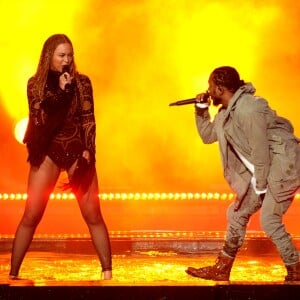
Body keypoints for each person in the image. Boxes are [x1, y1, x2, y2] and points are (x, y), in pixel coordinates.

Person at [9, 34, 112, 280]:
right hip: (48, 151)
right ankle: (12, 276)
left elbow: (89, 119)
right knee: (31, 214)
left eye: (70, 55)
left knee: (93, 214)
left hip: (76, 148)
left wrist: (90, 151)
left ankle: (108, 274)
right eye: (61, 55)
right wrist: (63, 93)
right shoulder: (36, 84)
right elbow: (39, 119)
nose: (67, 60)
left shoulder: (83, 83)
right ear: (49, 57)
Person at [186, 66, 300, 281]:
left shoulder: (249, 108)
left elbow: (260, 149)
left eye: (211, 87)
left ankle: (296, 267)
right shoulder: (225, 114)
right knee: (237, 213)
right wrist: (201, 109)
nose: (208, 91)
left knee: (269, 220)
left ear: (220, 88)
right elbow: (208, 136)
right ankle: (222, 268)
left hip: (285, 167)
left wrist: (261, 183)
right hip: (267, 170)